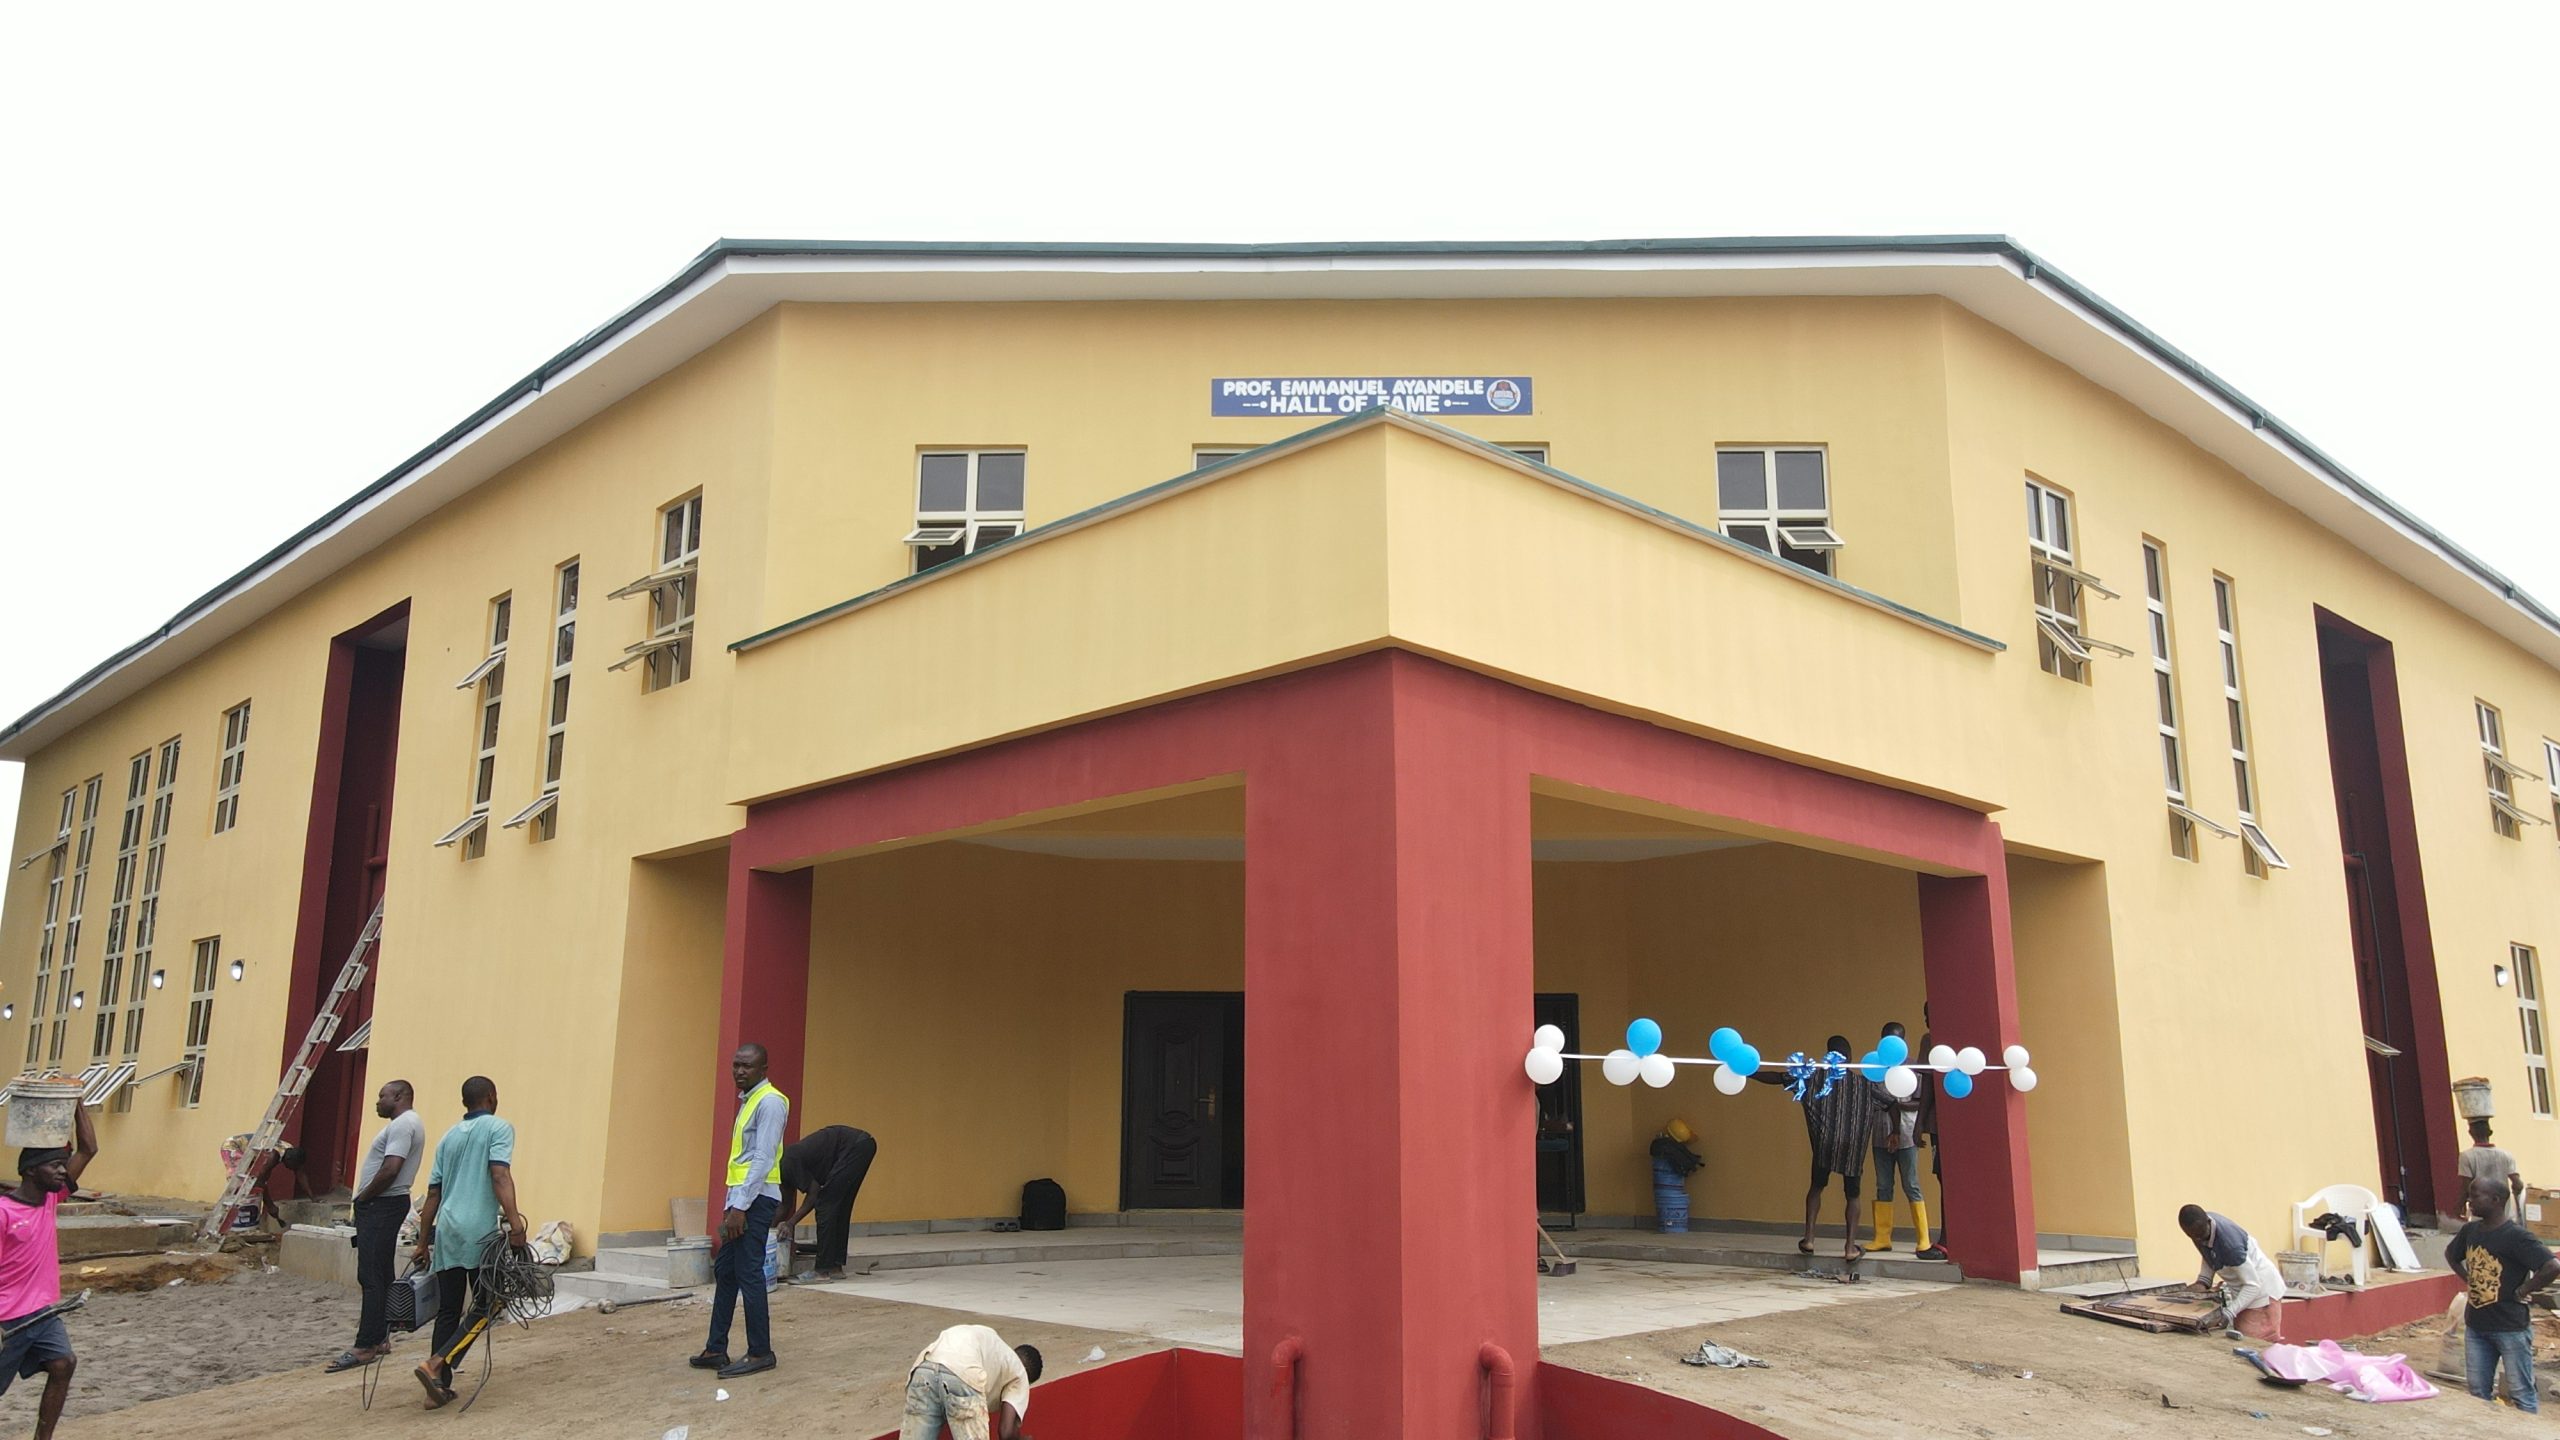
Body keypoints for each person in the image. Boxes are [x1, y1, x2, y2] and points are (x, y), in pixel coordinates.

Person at [413, 1076, 524, 1408]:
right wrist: (515, 1223)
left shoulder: (448, 1137)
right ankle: (437, 1363)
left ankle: (436, 1389)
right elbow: (499, 1175)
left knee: (449, 1308)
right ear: (491, 1097)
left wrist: (422, 1242)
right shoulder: (499, 1128)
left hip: (448, 1229)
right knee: (489, 1303)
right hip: (479, 1231)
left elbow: (433, 1194)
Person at [0, 1099, 96, 1440]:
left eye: (62, 1166)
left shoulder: (50, 1200)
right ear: (30, 1171)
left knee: (63, 1363)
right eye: (55, 1165)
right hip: (6, 1318)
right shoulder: (4, 1212)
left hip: (41, 1312)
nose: (62, 1172)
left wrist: (76, 1103)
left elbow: (89, 1149)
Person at [691, 1043, 788, 1378]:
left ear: (764, 1069)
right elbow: (740, 1162)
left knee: (749, 1272)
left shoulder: (770, 1102)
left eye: (747, 1066)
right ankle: (715, 1348)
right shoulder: (749, 1101)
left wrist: (741, 1207)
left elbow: (762, 1158)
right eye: (736, 1065)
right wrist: (730, 1205)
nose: (739, 1071)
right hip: (741, 1201)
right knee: (726, 1270)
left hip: (756, 1200)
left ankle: (760, 1352)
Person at [328, 1079, 424, 1372]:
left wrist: (365, 1197)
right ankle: (380, 1338)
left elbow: (391, 1168)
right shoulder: (406, 1123)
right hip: (385, 1204)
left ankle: (365, 1345)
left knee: (370, 1276)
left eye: (383, 1096)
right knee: (381, 1274)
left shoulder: (403, 1125)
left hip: (382, 1204)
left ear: (399, 1096)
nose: (377, 1101)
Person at [2446, 1173, 2560, 1411]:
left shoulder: (2516, 1236)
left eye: (2475, 1196)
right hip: (2476, 1326)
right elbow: (2452, 1255)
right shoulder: (2470, 1231)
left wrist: (2524, 1289)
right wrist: (2468, 1278)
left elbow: (2552, 1266)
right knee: (2478, 1392)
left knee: (2521, 1393)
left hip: (2510, 1327)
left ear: (2496, 1200)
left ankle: (2527, 1429)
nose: (2469, 1201)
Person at [1755, 1035, 1869, 1261]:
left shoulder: (1812, 1078)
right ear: (1850, 1057)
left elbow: (1778, 1078)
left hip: (1823, 1143)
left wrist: (1749, 1072)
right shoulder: (1864, 1083)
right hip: (1853, 1148)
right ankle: (1849, 1248)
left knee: (1816, 1187)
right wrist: (1895, 1131)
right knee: (1853, 1195)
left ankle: (1809, 1239)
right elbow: (1890, 1103)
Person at [901, 1322, 1041, 1440]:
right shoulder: (1020, 1373)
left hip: (925, 1365)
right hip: (963, 1371)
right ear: (1029, 1378)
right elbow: (1006, 1432)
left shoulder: (997, 1348)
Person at [1865, 1020, 1933, 1258]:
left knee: (1911, 1184)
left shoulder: (1913, 1067)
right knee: (1883, 1185)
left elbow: (1921, 1101)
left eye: (1894, 1039)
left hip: (1906, 1133)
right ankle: (1882, 1237)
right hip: (1880, 1133)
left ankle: (1923, 1239)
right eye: (1885, 1038)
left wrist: (1896, 1105)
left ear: (1903, 1041)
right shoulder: (1874, 1066)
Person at [780, 1125, 878, 1283]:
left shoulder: (787, 1162)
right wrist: (769, 1232)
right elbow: (785, 1205)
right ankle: (835, 1267)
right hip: (862, 1145)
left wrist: (790, 1223)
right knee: (840, 1207)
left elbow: (814, 1193)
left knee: (825, 1204)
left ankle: (821, 1271)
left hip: (854, 1147)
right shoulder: (785, 1168)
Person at [2178, 1204, 2288, 1340]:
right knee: (2241, 1342)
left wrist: (2229, 1313)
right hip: (2244, 1294)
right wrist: (2203, 1281)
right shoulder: (2198, 1227)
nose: (2198, 1240)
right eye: (2194, 1237)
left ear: (2208, 1222)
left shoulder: (2231, 1247)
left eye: (2201, 1235)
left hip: (2262, 1297)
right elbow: (2209, 1251)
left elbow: (2253, 1285)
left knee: (2253, 1345)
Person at [2457, 1118, 2524, 1218]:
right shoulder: (2506, 1155)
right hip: (2504, 1215)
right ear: (2490, 1132)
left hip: (2480, 1216)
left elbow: (2466, 1188)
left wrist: (2458, 1207)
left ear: (2470, 1133)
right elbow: (2518, 1184)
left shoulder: (2466, 1156)